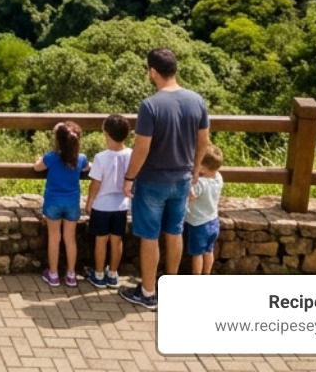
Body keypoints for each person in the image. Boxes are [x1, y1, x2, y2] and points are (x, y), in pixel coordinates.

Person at [119, 47, 210, 311]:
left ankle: (148, 293)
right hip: (182, 177)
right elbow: (203, 140)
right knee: (174, 231)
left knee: (149, 236)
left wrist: (129, 177)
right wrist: (194, 172)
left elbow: (142, 148)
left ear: (153, 72)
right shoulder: (197, 100)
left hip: (152, 180)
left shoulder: (150, 106)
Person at [34, 121, 86, 287]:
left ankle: (54, 274)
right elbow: (86, 168)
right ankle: (71, 275)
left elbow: (37, 168)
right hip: (72, 203)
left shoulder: (50, 157)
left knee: (54, 238)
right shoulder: (81, 158)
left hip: (53, 202)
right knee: (70, 239)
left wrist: (38, 159)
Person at [84, 114, 132, 289]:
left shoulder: (100, 157)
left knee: (101, 240)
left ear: (106, 133)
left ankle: (98, 274)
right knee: (117, 240)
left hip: (102, 205)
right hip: (122, 205)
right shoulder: (131, 154)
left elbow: (95, 183)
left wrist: (89, 202)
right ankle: (113, 273)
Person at [184, 144, 225, 275]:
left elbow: (190, 196)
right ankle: (206, 274)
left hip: (198, 224)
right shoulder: (219, 178)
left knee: (197, 254)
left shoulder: (201, 183)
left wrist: (190, 181)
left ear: (202, 166)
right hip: (213, 221)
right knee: (209, 251)